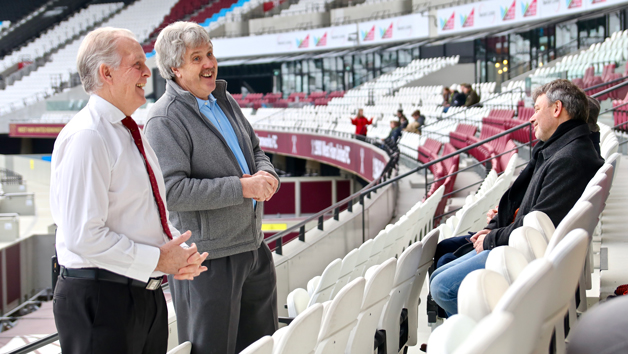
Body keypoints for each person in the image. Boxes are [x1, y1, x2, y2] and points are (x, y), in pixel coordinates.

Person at [50, 27, 208, 354]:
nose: (147, 72)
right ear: (106, 73)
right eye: (136, 63)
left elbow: (141, 213)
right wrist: (158, 258)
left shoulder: (128, 129)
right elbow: (84, 236)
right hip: (102, 302)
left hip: (141, 295)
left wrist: (176, 253)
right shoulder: (88, 136)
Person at [144, 22, 280, 354]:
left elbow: (255, 150)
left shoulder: (223, 99)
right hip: (207, 259)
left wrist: (267, 174)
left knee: (263, 346)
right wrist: (242, 187)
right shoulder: (164, 120)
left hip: (252, 248)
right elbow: (172, 191)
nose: (209, 63)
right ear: (175, 68)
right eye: (196, 58)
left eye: (210, 53)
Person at [429, 79, 604, 316]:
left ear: (557, 109)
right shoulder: (561, 150)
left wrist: (492, 238)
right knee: (440, 274)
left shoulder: (568, 158)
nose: (531, 118)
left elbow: (541, 223)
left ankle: (488, 340)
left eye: (537, 110)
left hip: (525, 256)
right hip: (523, 245)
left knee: (442, 286)